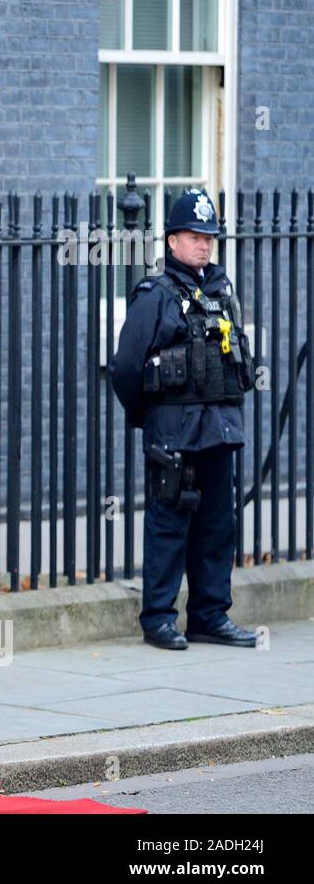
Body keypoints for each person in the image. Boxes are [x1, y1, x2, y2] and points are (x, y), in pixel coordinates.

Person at [111, 188, 259, 650]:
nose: (203, 245)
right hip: (173, 433)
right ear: (172, 241)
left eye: (209, 238)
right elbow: (126, 368)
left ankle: (209, 616)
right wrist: (147, 417)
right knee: (169, 525)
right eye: (194, 236)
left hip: (218, 431)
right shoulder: (155, 295)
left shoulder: (220, 291)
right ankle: (158, 619)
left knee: (218, 527)